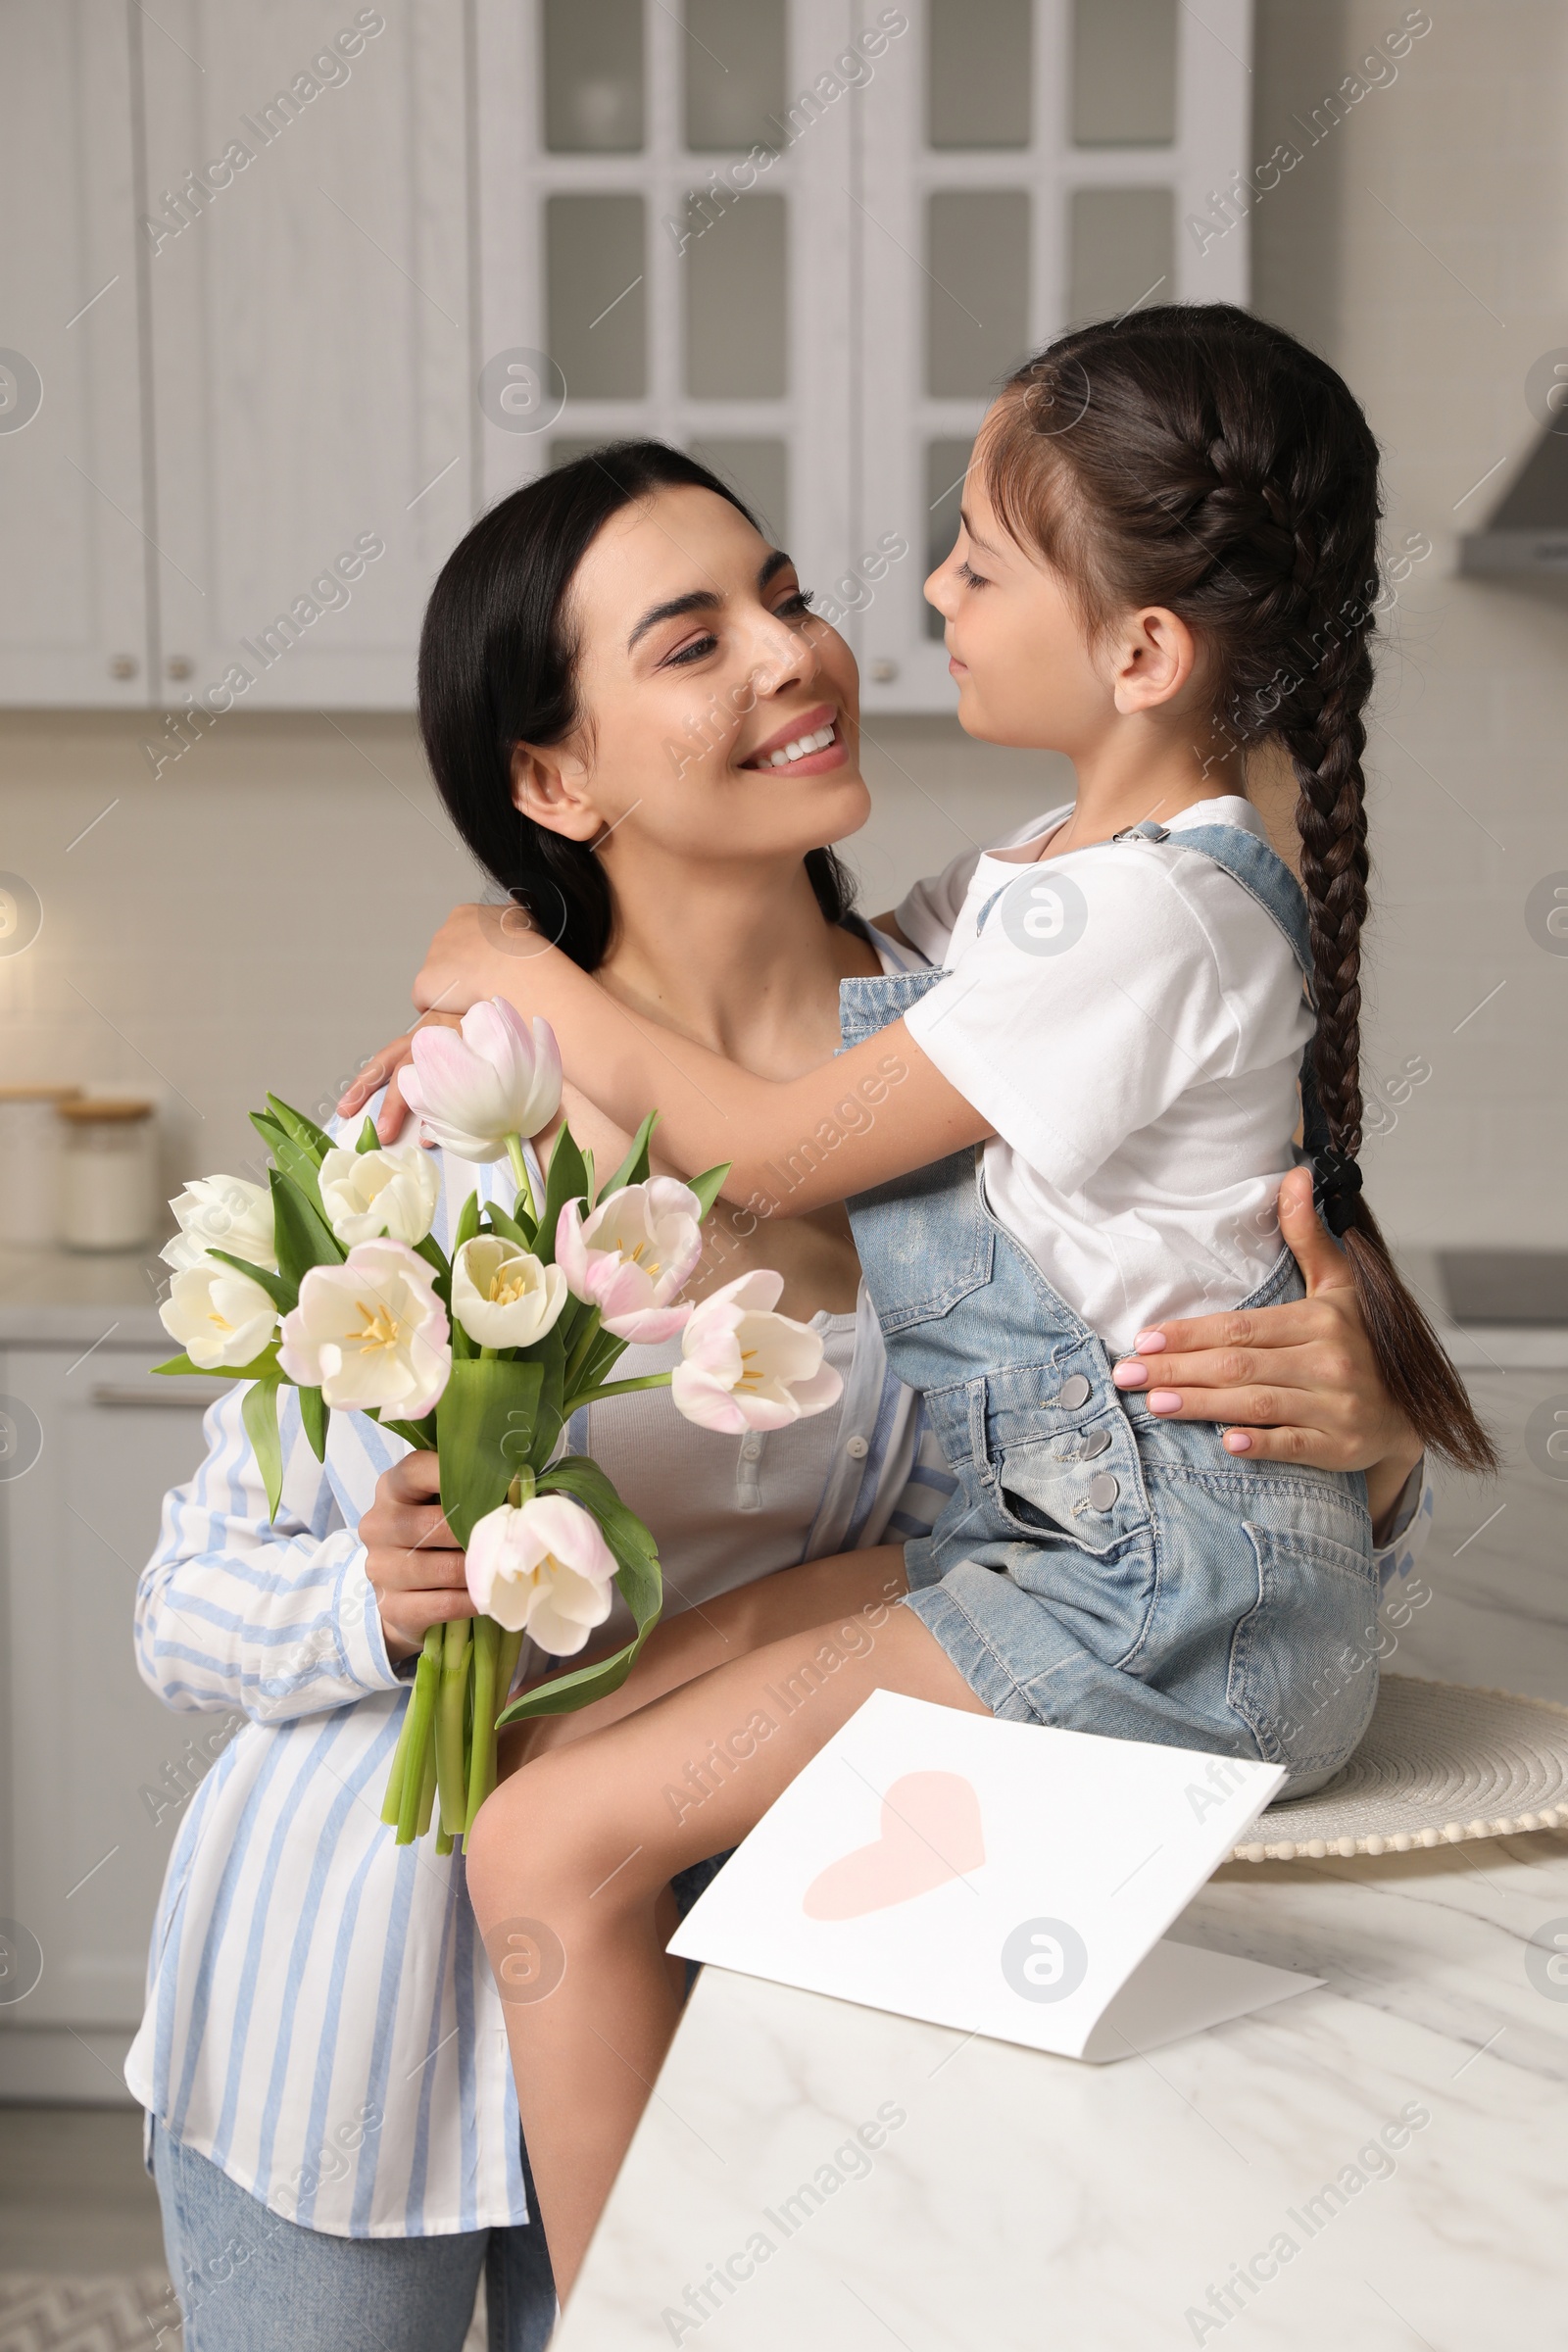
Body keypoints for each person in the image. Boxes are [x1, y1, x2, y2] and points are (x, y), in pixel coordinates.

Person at [133, 438, 1426, 2352]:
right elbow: (181, 1601)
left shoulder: (988, 1034)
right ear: (550, 778)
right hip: (353, 2001)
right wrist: (374, 1602)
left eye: (787, 593)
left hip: (758, 1980)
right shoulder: (456, 1136)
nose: (791, 652)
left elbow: (1155, 1546)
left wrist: (1368, 1447)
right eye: (690, 638)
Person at [452, 320, 1490, 2300]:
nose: (908, 598)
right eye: (706, 634)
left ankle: (651, 2326)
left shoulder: (1137, 913)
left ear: (1136, 656)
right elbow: (863, 1009)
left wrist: (506, 965)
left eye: (975, 559)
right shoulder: (1048, 885)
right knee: (572, 1734)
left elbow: (760, 1151)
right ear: (551, 772)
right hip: (1072, 1550)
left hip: (1153, 1596)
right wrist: (506, 1045)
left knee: (542, 1850)